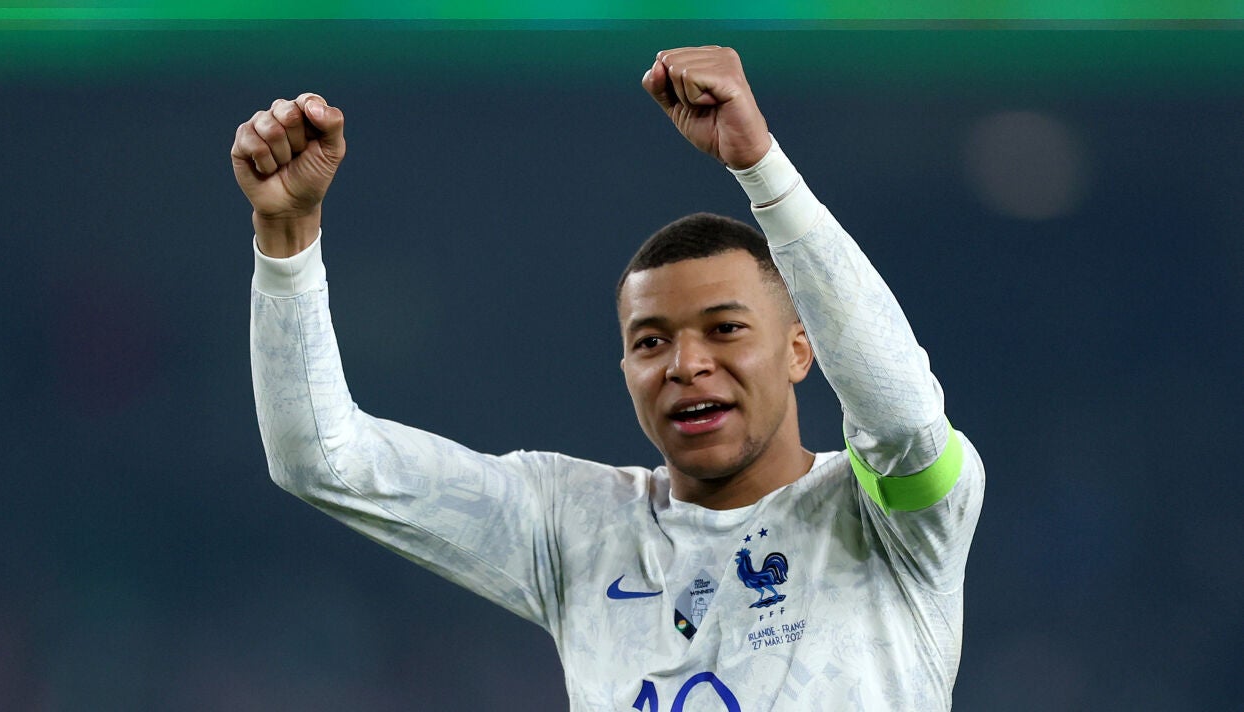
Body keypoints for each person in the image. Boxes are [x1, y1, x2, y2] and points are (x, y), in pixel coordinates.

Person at [235, 46, 983, 711]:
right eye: (652, 342)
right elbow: (323, 458)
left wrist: (762, 169)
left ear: (799, 350)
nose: (686, 365)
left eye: (725, 329)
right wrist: (287, 239)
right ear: (626, 371)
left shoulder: (891, 514)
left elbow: (903, 417)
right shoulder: (573, 525)